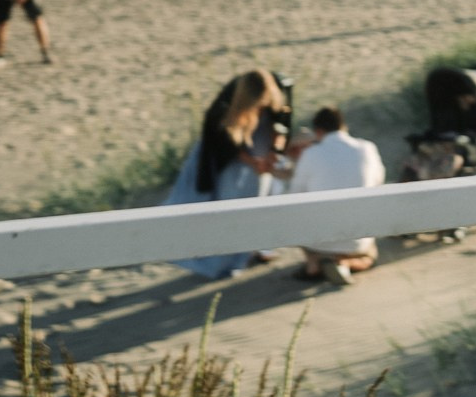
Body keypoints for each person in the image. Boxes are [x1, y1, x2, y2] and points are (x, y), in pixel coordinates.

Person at [160, 69, 291, 279]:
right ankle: (222, 258)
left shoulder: (279, 91)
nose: (261, 108)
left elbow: (283, 123)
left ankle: (253, 249)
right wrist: (253, 161)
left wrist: (274, 151)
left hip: (258, 147)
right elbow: (224, 144)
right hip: (229, 157)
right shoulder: (220, 114)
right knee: (230, 204)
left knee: (257, 202)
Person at [285, 106, 386, 285]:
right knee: (370, 252)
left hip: (319, 239)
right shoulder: (367, 148)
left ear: (318, 131)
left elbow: (295, 195)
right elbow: (378, 182)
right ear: (343, 126)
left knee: (305, 219)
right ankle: (344, 262)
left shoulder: (310, 153)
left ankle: (313, 264)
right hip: (357, 235)